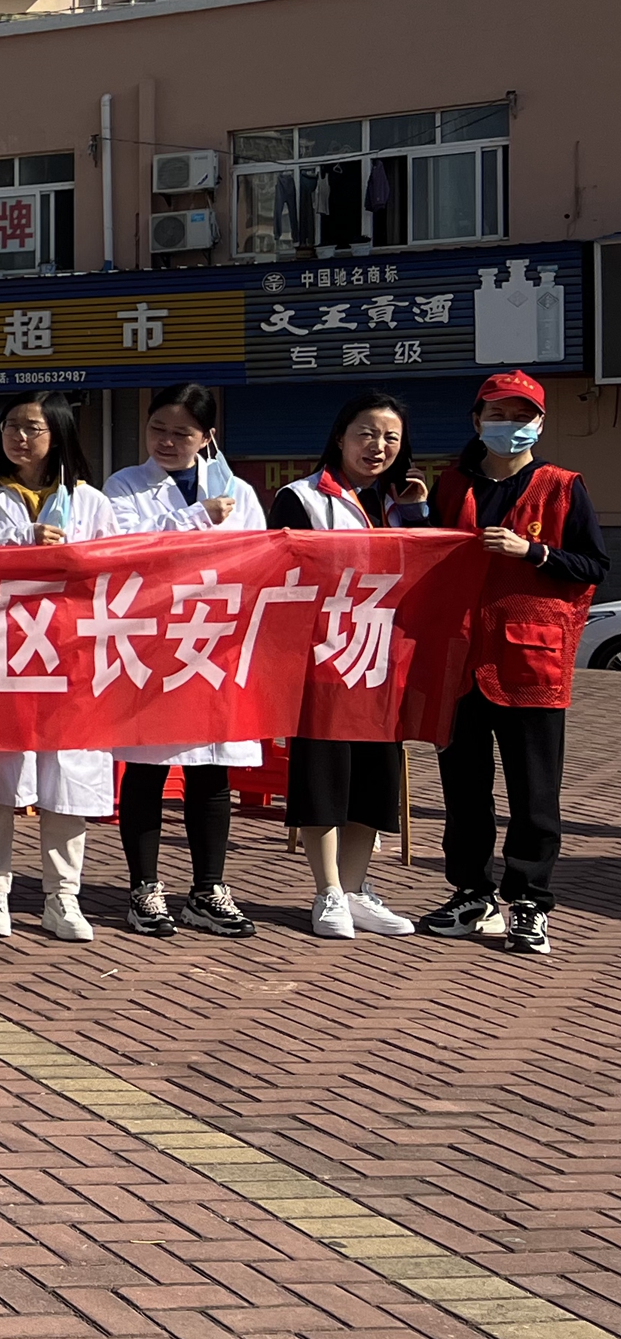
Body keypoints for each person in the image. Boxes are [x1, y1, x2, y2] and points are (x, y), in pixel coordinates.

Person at [416, 369, 607, 957]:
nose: (509, 425)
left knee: (535, 793)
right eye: (498, 414)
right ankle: (472, 894)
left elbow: (593, 566)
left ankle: (529, 903)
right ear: (477, 421)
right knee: (463, 790)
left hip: (530, 663)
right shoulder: (451, 484)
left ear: (540, 424)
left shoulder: (562, 486)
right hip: (461, 661)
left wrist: (535, 551)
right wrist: (415, 514)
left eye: (522, 416)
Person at [0, 395, 115, 944]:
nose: (20, 437)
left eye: (33, 427)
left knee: (67, 778)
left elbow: (114, 571)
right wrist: (19, 543)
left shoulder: (90, 501)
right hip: (1, 655)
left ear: (58, 433)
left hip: (70, 660)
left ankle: (62, 896)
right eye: (11, 426)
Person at [101, 386, 261, 938]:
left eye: (182, 433)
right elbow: (124, 552)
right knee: (146, 766)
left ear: (207, 437)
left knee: (211, 768)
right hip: (151, 645)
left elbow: (257, 558)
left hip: (214, 643)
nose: (166, 442)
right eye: (158, 430)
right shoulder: (124, 485)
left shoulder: (237, 491)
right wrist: (195, 519)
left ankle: (208, 889)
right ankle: (144, 889)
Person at [270, 389, 428, 941]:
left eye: (391, 438)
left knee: (373, 780)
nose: (378, 446)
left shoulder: (398, 504)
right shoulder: (302, 498)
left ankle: (357, 889)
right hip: (325, 658)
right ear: (340, 437)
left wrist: (417, 515)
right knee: (324, 777)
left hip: (383, 659)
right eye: (366, 433)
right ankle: (328, 891)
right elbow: (285, 576)